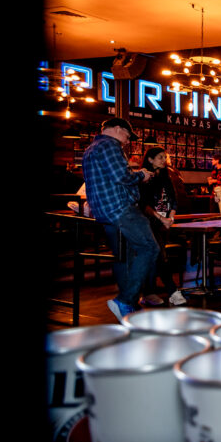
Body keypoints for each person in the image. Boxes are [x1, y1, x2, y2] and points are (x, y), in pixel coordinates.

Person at [82, 117, 155, 322]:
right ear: (117, 129)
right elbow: (121, 177)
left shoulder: (91, 148)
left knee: (125, 257)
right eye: (126, 136)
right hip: (121, 208)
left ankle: (127, 306)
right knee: (149, 248)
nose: (126, 141)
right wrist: (141, 175)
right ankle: (125, 300)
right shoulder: (109, 145)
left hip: (104, 212)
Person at [138, 146, 187, 306]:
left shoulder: (166, 175)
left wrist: (171, 217)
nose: (164, 160)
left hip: (164, 222)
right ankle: (172, 291)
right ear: (150, 159)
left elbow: (174, 198)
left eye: (164, 157)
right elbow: (143, 204)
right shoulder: (144, 176)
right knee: (159, 255)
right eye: (160, 157)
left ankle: (148, 293)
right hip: (149, 222)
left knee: (156, 257)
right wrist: (161, 218)